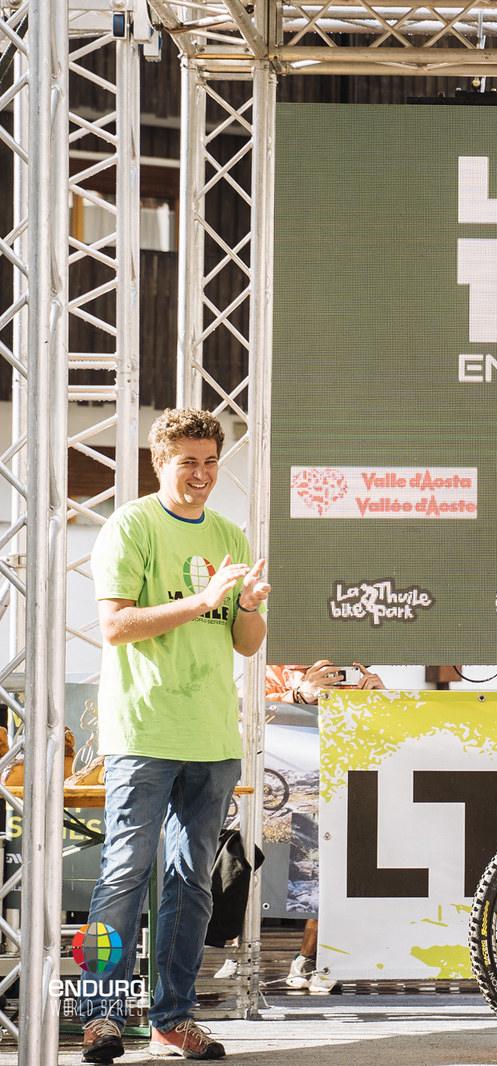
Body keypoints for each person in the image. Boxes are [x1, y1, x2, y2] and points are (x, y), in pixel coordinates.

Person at [80, 409, 270, 1063]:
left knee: (192, 883)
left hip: (212, 735)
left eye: (211, 461)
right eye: (188, 461)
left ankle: (172, 1019)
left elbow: (247, 643)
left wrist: (243, 605)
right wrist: (201, 599)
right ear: (160, 463)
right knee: (121, 875)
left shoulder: (229, 535)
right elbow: (115, 626)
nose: (202, 474)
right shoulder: (130, 525)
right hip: (143, 729)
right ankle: (99, 1016)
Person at [260, 662, 384, 993]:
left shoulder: (353, 668)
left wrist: (381, 699)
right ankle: (266, 956)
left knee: (339, 872)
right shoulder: (277, 666)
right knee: (306, 878)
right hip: (287, 793)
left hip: (350, 783)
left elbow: (382, 730)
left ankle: (315, 957)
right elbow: (248, 710)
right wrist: (299, 694)